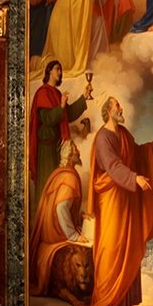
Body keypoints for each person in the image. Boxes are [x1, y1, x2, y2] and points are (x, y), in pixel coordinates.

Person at [75, 97, 153, 306]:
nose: (121, 108)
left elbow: (137, 154)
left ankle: (121, 304)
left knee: (128, 247)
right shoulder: (103, 137)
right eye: (117, 106)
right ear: (109, 111)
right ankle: (103, 305)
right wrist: (135, 178)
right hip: (111, 199)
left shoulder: (123, 133)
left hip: (127, 198)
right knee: (110, 250)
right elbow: (113, 166)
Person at [28, 140, 89, 296]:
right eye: (76, 150)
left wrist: (81, 215)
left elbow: (62, 206)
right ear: (69, 155)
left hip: (49, 231)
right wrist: (73, 235)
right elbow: (60, 207)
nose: (79, 153)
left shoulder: (59, 174)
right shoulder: (69, 177)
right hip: (56, 234)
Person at [28, 61, 91, 211]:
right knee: (48, 184)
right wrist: (61, 106)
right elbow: (47, 119)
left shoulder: (56, 93)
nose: (60, 72)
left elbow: (67, 115)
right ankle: (44, 221)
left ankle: (55, 221)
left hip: (56, 147)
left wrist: (84, 97)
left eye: (61, 70)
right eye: (57, 69)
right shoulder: (43, 93)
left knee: (57, 186)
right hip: (46, 148)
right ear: (49, 71)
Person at [40, 0, 114, 77]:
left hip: (74, 15)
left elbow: (97, 0)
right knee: (98, 22)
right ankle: (88, 63)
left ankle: (93, 62)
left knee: (99, 22)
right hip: (66, 17)